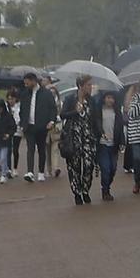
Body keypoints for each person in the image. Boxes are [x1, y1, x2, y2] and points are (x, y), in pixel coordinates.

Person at [59, 75, 100, 205]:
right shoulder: (70, 99)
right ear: (81, 86)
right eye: (88, 85)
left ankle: (85, 190)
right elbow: (62, 114)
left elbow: (96, 118)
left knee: (88, 166)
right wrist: (75, 112)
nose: (90, 87)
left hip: (88, 137)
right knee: (74, 167)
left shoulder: (92, 101)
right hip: (74, 137)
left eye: (91, 85)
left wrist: (100, 132)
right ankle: (77, 192)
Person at [18, 71, 57, 182]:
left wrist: (51, 121)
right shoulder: (25, 94)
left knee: (41, 149)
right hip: (28, 126)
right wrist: (22, 122)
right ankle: (30, 171)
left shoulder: (46, 93)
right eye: (25, 83)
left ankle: (40, 172)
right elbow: (22, 109)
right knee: (30, 148)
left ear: (34, 81)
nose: (26, 85)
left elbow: (52, 108)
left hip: (42, 125)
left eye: (27, 83)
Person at [94, 89, 124, 200]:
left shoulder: (117, 112)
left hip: (114, 145)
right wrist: (101, 133)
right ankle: (105, 190)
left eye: (112, 98)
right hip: (102, 145)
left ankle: (107, 185)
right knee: (106, 168)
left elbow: (120, 128)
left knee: (113, 168)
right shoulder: (98, 111)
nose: (110, 100)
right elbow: (96, 124)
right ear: (104, 99)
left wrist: (122, 141)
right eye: (108, 98)